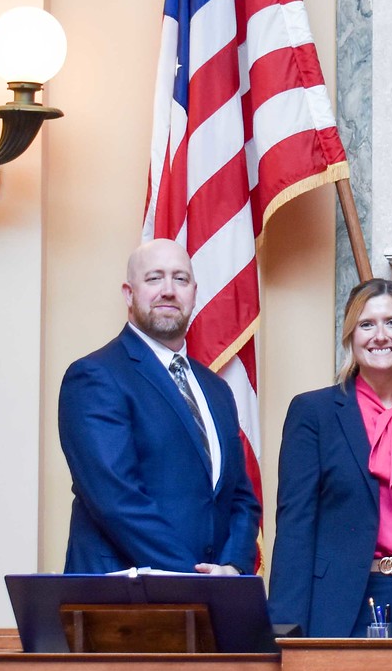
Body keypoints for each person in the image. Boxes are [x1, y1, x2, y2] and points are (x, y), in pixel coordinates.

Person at [58, 238, 260, 574]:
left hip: (212, 600)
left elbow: (240, 496)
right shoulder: (95, 376)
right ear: (129, 293)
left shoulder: (217, 390)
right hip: (123, 598)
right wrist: (191, 578)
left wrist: (232, 567)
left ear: (194, 293)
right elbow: (116, 500)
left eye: (180, 279)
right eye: (154, 278)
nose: (168, 290)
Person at [267, 279, 392, 638]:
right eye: (366, 325)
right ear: (349, 334)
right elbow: (295, 523)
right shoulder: (313, 412)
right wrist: (283, 624)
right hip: (339, 598)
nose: (380, 335)